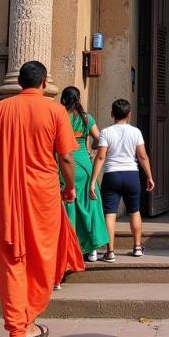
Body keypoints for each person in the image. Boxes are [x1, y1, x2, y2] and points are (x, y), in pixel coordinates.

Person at [0, 61, 85, 337]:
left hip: (8, 197)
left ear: (20, 83)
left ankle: (17, 335)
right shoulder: (55, 111)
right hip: (44, 197)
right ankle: (26, 324)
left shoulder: (1, 109)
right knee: (42, 258)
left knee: (11, 260)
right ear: (44, 83)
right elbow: (67, 159)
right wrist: (70, 187)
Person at [90, 98, 155, 261]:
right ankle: (138, 247)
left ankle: (110, 251)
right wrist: (149, 176)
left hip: (112, 175)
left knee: (110, 213)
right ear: (129, 114)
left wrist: (92, 181)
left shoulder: (106, 132)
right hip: (131, 174)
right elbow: (142, 156)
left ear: (112, 114)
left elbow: (100, 158)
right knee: (134, 211)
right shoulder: (136, 132)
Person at [59, 86, 110, 263]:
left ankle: (71, 247)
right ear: (79, 98)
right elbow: (98, 137)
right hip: (85, 165)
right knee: (90, 206)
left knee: (69, 207)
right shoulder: (86, 118)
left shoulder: (60, 116)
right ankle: (93, 249)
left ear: (63, 99)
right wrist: (92, 148)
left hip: (65, 164)